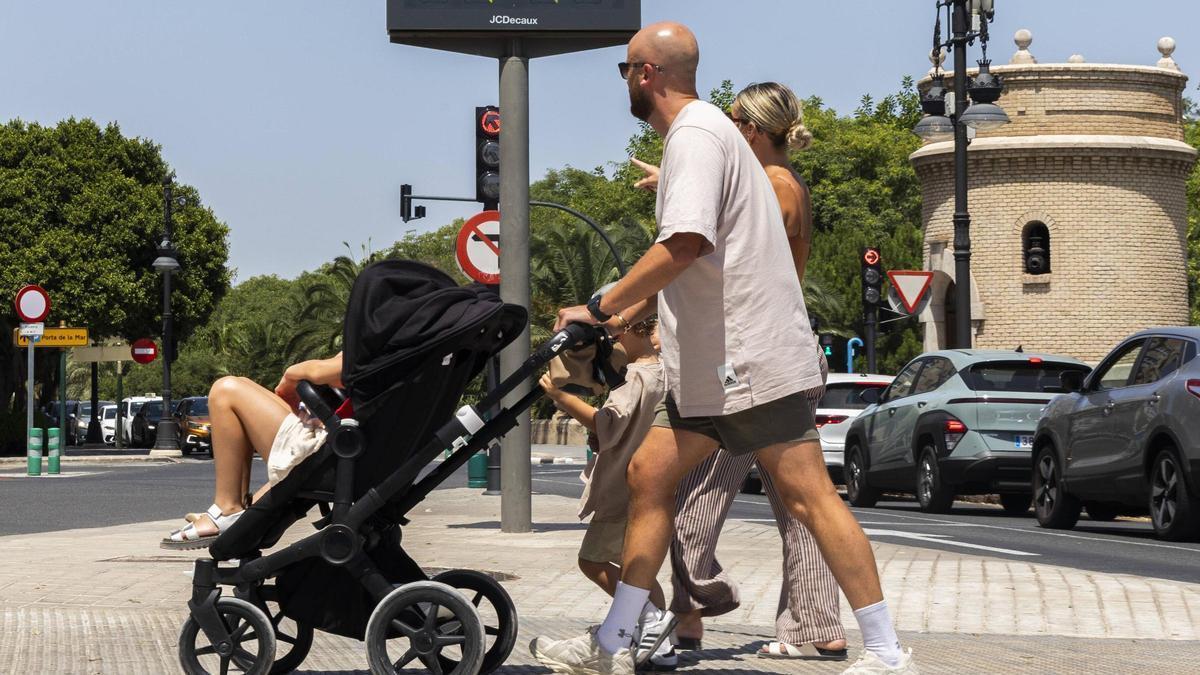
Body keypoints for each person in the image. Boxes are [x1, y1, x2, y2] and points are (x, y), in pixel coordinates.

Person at [530, 21, 917, 675]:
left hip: (747, 360)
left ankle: (885, 650)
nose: (623, 80)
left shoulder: (697, 136)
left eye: (625, 68)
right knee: (649, 476)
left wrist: (601, 306)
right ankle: (613, 644)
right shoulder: (706, 138)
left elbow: (686, 245)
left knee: (808, 496)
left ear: (647, 73)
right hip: (711, 362)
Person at [633, 82, 847, 660]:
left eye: (732, 122)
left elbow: (730, 257)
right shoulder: (781, 181)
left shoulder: (775, 186)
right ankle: (812, 624)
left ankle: (695, 604)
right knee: (799, 502)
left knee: (696, 488)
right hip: (781, 355)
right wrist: (673, 183)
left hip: (746, 359)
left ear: (750, 131)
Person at [539, 317, 677, 670]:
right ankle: (661, 647)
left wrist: (560, 396)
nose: (613, 339)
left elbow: (608, 422)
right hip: (653, 482)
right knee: (639, 567)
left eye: (618, 332)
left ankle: (651, 621)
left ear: (637, 332)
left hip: (621, 484)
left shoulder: (634, 377)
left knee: (593, 560)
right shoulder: (665, 374)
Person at [161, 354, 346, 549]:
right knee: (242, 383)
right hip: (345, 441)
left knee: (226, 390)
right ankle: (242, 512)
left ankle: (227, 509)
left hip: (332, 443)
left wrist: (292, 374)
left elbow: (343, 367)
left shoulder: (378, 326)